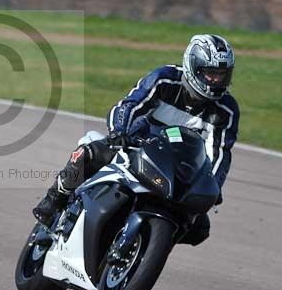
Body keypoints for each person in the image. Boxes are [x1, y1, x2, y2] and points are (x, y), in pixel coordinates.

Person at [32, 34, 240, 245]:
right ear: (193, 67)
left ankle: (151, 243)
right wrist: (119, 132)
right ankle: (54, 199)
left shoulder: (227, 110)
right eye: (210, 73)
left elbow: (220, 153)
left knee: (199, 227)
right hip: (136, 145)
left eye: (222, 75)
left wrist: (213, 185)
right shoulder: (164, 79)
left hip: (178, 169)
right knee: (89, 154)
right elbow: (129, 105)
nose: (216, 81)